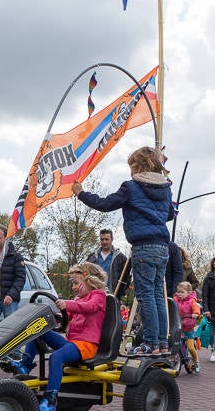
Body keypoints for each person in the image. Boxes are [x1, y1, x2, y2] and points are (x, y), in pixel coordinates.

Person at [73, 146, 174, 356]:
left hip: (143, 246)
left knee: (145, 296)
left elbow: (105, 204)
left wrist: (81, 193)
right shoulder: (166, 188)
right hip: (163, 247)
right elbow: (170, 214)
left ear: (138, 166)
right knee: (157, 295)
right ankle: (162, 344)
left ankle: (150, 343)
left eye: (132, 167)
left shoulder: (131, 187)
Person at [3, 262, 108, 411]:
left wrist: (68, 304)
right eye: (72, 283)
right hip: (73, 343)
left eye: (75, 283)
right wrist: (52, 317)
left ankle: (50, 401)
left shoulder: (98, 296)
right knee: (38, 329)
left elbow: (89, 307)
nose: (73, 287)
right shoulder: (78, 298)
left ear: (89, 280)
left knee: (56, 357)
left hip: (87, 346)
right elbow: (67, 317)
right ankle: (25, 365)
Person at [86, 229, 131, 297]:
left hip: (112, 295)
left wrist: (120, 294)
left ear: (112, 239)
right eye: (102, 239)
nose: (104, 242)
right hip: (93, 295)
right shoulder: (92, 257)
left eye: (106, 239)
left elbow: (126, 278)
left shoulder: (121, 258)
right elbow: (85, 274)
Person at [174, 281, 201, 373]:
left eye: (182, 292)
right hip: (179, 327)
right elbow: (171, 306)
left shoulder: (191, 301)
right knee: (176, 345)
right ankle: (178, 358)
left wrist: (195, 313)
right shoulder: (175, 300)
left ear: (189, 293)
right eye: (179, 292)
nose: (180, 294)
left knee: (190, 347)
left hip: (189, 328)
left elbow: (196, 308)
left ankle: (196, 360)